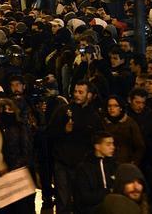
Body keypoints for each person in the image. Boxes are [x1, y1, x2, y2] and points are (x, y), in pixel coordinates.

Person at [47, 80, 104, 214]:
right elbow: (49, 133)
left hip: (82, 165)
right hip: (63, 163)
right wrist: (64, 131)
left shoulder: (94, 116)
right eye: (75, 92)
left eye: (81, 92)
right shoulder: (63, 111)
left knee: (81, 200)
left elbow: (97, 139)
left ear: (89, 95)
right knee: (63, 200)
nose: (77, 95)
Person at [73, 131, 117, 214]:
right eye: (108, 144)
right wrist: (108, 192)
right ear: (97, 146)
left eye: (113, 144)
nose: (112, 147)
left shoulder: (114, 165)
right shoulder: (84, 168)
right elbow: (84, 196)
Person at [102, 95, 145, 165]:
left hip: (125, 162)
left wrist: (133, 162)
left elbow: (140, 146)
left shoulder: (130, 123)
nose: (112, 108)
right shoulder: (103, 123)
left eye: (115, 106)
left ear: (121, 108)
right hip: (107, 162)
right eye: (109, 106)